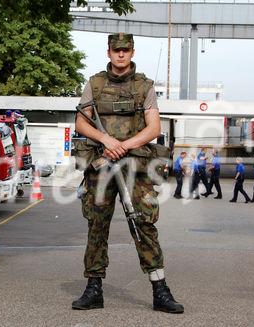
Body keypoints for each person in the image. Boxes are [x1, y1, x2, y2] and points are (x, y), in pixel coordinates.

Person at [73, 33, 183, 314]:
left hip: (134, 166)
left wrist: (121, 146)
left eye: (125, 50)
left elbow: (153, 129)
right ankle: (93, 289)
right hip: (101, 165)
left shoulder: (144, 86)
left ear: (132, 52)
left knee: (144, 225)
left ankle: (160, 290)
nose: (120, 54)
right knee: (97, 226)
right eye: (116, 50)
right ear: (108, 52)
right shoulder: (94, 84)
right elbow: (81, 124)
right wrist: (106, 141)